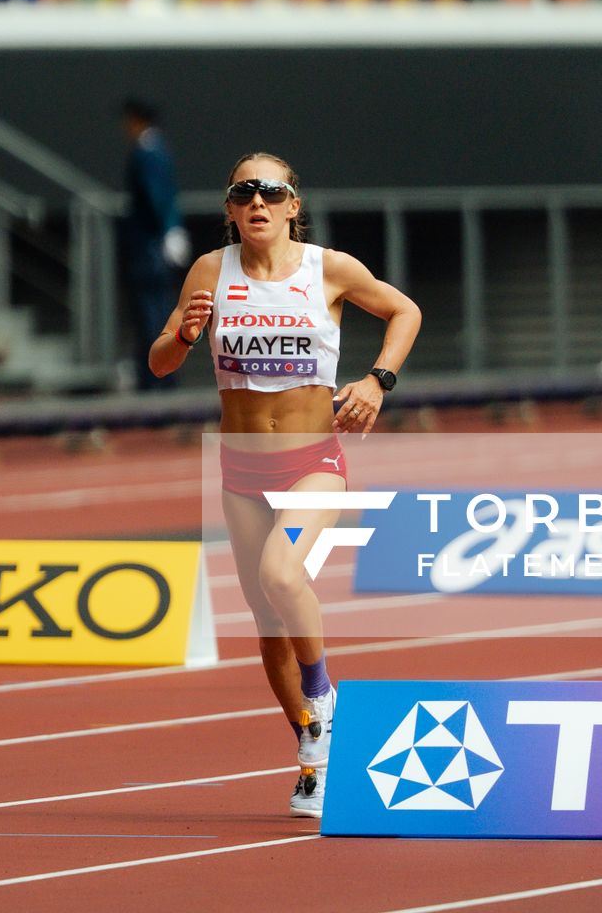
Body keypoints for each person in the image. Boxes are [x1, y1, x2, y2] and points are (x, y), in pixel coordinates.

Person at [148, 153, 421, 817]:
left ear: (293, 205)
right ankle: (313, 752)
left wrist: (376, 380)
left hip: (312, 462)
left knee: (282, 573)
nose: (258, 202)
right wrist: (184, 335)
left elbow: (404, 311)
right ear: (232, 209)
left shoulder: (329, 269)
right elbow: (158, 361)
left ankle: (324, 696)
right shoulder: (212, 271)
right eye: (245, 192)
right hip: (241, 470)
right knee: (266, 620)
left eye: (271, 192)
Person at [121, 100, 189, 390]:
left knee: (152, 313)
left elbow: (157, 195)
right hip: (156, 242)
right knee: (158, 310)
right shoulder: (157, 150)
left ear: (138, 120)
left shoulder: (147, 153)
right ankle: (161, 377)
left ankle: (157, 379)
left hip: (149, 246)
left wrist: (168, 229)